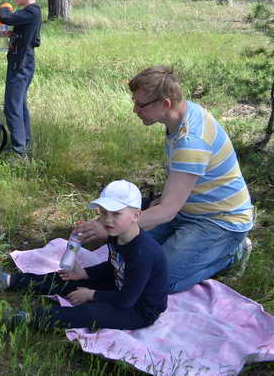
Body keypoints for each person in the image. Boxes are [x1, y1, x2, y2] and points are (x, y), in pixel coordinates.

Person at [78, 67, 254, 293]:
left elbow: (166, 212)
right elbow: (178, 187)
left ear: (165, 104)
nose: (135, 110)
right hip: (187, 209)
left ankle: (231, 254)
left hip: (219, 221)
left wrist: (105, 226)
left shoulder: (191, 142)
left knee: (157, 281)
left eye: (141, 105)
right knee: (126, 251)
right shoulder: (181, 116)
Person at [0, 180, 169, 331]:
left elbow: (126, 300)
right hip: (118, 286)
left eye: (116, 214)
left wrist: (92, 294)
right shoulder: (116, 235)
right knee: (66, 279)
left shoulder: (143, 253)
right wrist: (85, 275)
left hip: (139, 308)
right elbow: (113, 266)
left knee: (91, 312)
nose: (107, 220)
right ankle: (10, 281)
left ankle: (29, 319)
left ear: (136, 215)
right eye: (103, 213)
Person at [0, 0, 42, 157]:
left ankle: (19, 151)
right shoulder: (32, 13)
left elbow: (6, 17)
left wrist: (4, 9)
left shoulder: (31, 12)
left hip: (20, 66)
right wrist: (14, 35)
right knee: (20, 105)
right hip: (24, 63)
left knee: (12, 107)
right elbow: (35, 40)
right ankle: (24, 143)